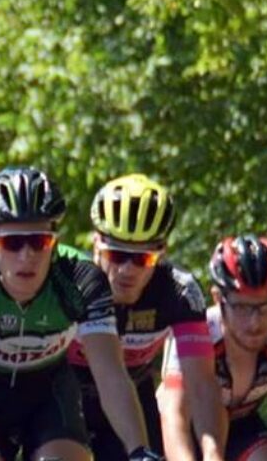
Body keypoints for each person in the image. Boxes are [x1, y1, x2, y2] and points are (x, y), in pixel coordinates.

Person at [0, 166, 159, 461]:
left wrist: (139, 451)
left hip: (48, 392)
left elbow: (111, 375)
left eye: (39, 242)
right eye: (13, 243)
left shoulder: (81, 280)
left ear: (55, 242)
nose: (27, 255)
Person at [65, 175, 225, 460]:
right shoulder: (69, 284)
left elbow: (201, 385)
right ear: (96, 244)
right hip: (64, 396)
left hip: (133, 397)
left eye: (143, 259)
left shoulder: (179, 291)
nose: (128, 270)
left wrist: (212, 454)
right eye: (117, 255)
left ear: (162, 253)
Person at [159, 235, 267, 460]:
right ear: (218, 298)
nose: (255, 323)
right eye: (242, 308)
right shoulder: (194, 332)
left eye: (265, 307)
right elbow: (173, 413)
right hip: (182, 425)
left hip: (239, 425)